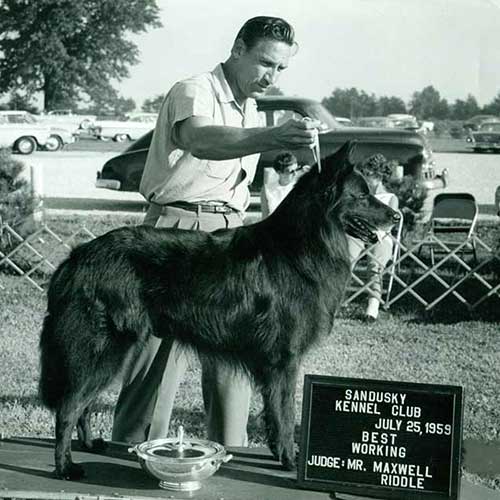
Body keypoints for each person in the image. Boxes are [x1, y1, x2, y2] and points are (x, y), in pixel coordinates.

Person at [112, 16, 321, 447]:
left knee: (236, 366)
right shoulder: (196, 90)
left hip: (232, 238)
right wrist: (272, 137)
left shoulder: (248, 105)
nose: (271, 76)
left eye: (281, 69)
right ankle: (127, 455)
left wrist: (289, 152)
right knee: (154, 367)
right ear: (238, 48)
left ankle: (231, 458)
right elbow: (202, 140)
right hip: (176, 235)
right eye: (265, 63)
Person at [347, 154, 399, 322]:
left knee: (375, 265)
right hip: (360, 233)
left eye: (368, 175)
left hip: (381, 235)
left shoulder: (390, 198)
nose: (366, 179)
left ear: (378, 176)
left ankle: (373, 307)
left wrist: (377, 234)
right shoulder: (362, 197)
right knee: (346, 259)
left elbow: (389, 224)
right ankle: (334, 300)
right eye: (365, 174)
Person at [260, 152, 310, 218]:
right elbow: (264, 216)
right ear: (279, 172)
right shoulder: (267, 189)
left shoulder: (301, 188)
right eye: (291, 171)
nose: (295, 174)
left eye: (296, 169)